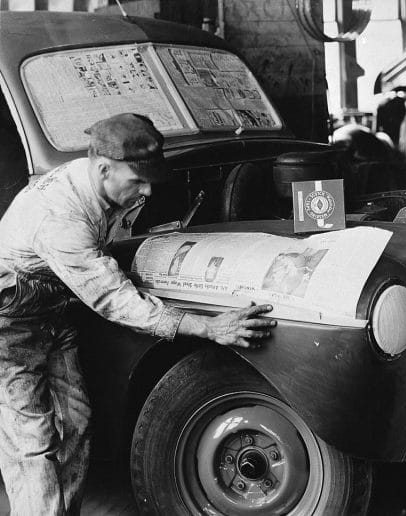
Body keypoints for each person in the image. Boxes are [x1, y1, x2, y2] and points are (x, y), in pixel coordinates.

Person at [0, 112, 276, 515]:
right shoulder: (60, 218)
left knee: (76, 424)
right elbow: (112, 299)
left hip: (53, 310)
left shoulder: (98, 181)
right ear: (104, 167)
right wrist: (208, 326)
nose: (146, 190)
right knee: (33, 442)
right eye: (136, 180)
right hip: (10, 317)